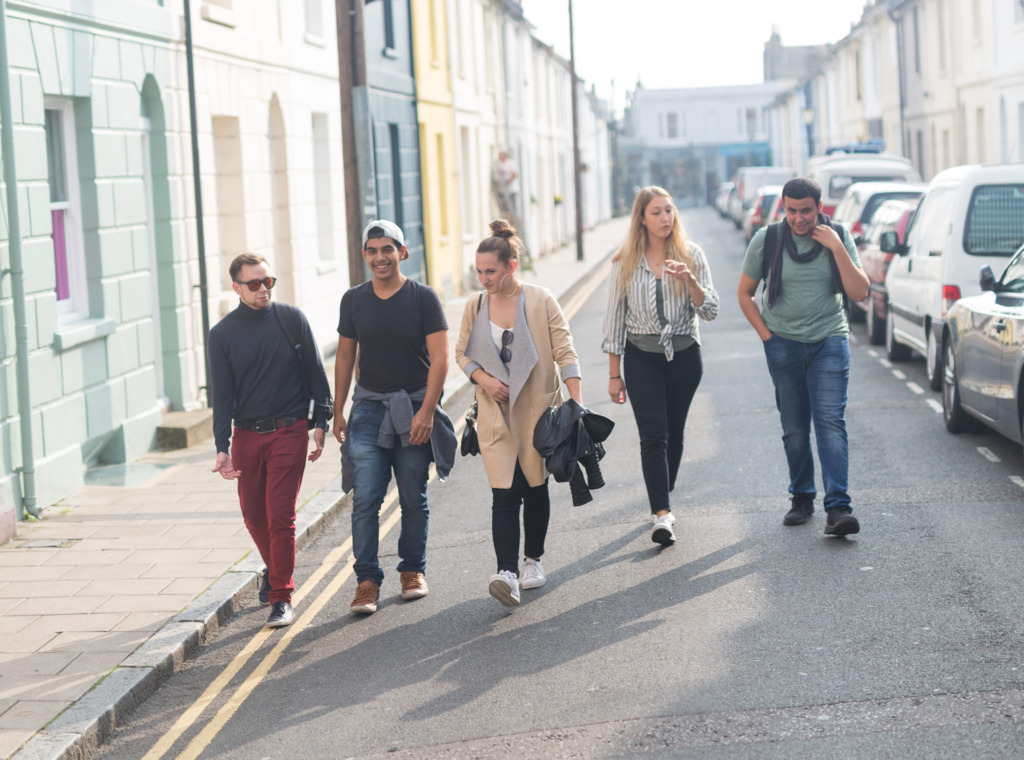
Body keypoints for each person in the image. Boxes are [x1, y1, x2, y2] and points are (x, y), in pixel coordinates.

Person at [455, 220, 582, 608]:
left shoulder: (540, 299)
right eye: (479, 271)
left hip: (536, 413)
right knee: (504, 493)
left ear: (511, 266)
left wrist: (575, 406)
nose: (484, 279)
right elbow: (462, 354)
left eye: (490, 271)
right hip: (494, 415)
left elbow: (565, 352)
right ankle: (506, 573)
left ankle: (533, 561)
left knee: (535, 487)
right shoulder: (476, 305)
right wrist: (484, 379)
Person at [737, 177, 870, 536]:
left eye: (806, 211)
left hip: (830, 340)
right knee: (795, 428)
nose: (798, 218)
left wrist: (837, 247)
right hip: (783, 342)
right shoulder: (767, 239)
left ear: (819, 208)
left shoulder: (837, 236)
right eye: (792, 211)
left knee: (830, 421)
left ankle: (838, 507)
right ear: (784, 207)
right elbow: (745, 293)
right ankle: (802, 497)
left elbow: (859, 292)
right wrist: (768, 338)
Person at [334, 220, 454, 616]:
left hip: (413, 406)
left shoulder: (422, 298)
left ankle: (412, 570)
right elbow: (345, 356)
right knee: (366, 498)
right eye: (372, 250)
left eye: (388, 249)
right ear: (364, 255)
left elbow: (440, 358)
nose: (380, 257)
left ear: (403, 252)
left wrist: (427, 412)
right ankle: (367, 581)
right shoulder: (353, 300)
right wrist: (338, 410)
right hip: (368, 408)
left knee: (413, 498)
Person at [209, 253, 332, 628]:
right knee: (253, 516)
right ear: (237, 288)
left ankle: (281, 596)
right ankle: (274, 569)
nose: (263, 289)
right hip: (246, 435)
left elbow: (315, 371)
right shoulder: (222, 334)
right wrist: (222, 446)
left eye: (268, 281)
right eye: (254, 283)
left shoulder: (290, 319)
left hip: (289, 429)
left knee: (280, 515)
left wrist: (321, 421)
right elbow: (222, 395)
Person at [602, 186, 719, 547]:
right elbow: (614, 318)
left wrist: (690, 281)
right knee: (653, 434)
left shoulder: (692, 254)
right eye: (656, 212)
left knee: (674, 433)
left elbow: (710, 310)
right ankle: (662, 514)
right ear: (641, 218)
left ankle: (662, 491)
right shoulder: (624, 262)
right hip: (641, 357)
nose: (665, 218)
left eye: (669, 210)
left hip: (684, 357)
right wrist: (614, 374)